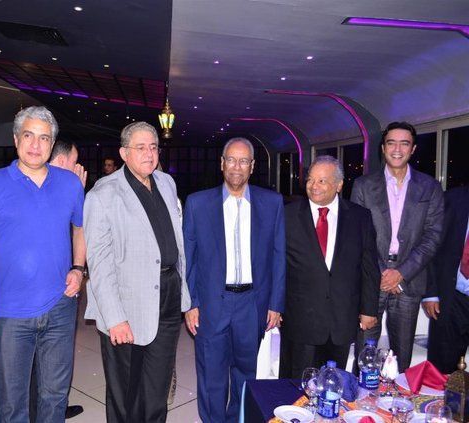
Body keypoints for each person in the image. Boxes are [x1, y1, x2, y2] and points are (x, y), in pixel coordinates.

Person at [0, 106, 85, 423]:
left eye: (44, 138)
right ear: (16, 139)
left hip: (60, 306)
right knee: (12, 404)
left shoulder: (70, 184)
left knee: (55, 397)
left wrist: (78, 268)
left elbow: (80, 228)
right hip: (10, 312)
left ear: (52, 143)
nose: (35, 144)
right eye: (29, 135)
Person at [84, 121, 191, 423]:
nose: (149, 154)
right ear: (124, 153)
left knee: (157, 386)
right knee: (126, 392)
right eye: (140, 147)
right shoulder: (103, 195)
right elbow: (99, 263)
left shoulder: (166, 183)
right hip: (126, 304)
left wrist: (184, 294)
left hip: (168, 294)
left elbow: (178, 243)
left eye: (153, 147)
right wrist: (115, 317)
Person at [183, 137, 285, 423]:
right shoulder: (198, 203)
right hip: (212, 303)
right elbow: (188, 259)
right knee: (211, 374)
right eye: (231, 159)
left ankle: (237, 419)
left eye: (243, 161)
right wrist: (190, 303)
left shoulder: (272, 203)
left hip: (253, 304)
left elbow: (278, 256)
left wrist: (276, 304)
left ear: (252, 166)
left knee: (247, 373)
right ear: (221, 163)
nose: (236, 167)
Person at [351, 121, 444, 373]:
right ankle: (362, 397)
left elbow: (433, 236)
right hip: (372, 279)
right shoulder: (363, 186)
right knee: (365, 354)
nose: (397, 149)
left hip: (409, 280)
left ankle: (395, 399)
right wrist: (381, 273)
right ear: (383, 148)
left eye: (404, 143)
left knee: (401, 359)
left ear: (413, 149)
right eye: (391, 143)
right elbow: (357, 236)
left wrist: (401, 273)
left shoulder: (430, 187)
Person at [279, 155, 380, 377]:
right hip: (300, 319)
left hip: (341, 319)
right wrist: (274, 306)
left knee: (334, 383)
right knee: (297, 384)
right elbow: (276, 266)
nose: (314, 186)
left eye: (322, 181)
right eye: (310, 180)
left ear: (339, 185)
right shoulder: (287, 215)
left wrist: (369, 309)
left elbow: (369, 267)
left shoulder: (360, 217)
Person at [27, 138, 86, 420]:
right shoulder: (39, 186)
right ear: (62, 162)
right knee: (36, 358)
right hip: (37, 290)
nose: (79, 167)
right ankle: (38, 411)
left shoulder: (66, 187)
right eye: (75, 162)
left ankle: (54, 407)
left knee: (55, 358)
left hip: (62, 284)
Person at [423, 186, 469, 373]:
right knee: (440, 371)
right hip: (451, 298)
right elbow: (431, 246)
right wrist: (430, 293)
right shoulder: (452, 199)